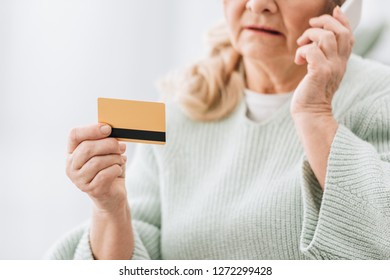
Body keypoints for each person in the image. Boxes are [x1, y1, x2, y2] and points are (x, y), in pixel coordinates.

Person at [46, 0, 390, 260]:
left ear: (340, 8)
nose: (258, 5)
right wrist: (109, 208)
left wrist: (314, 115)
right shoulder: (180, 107)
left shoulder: (378, 97)